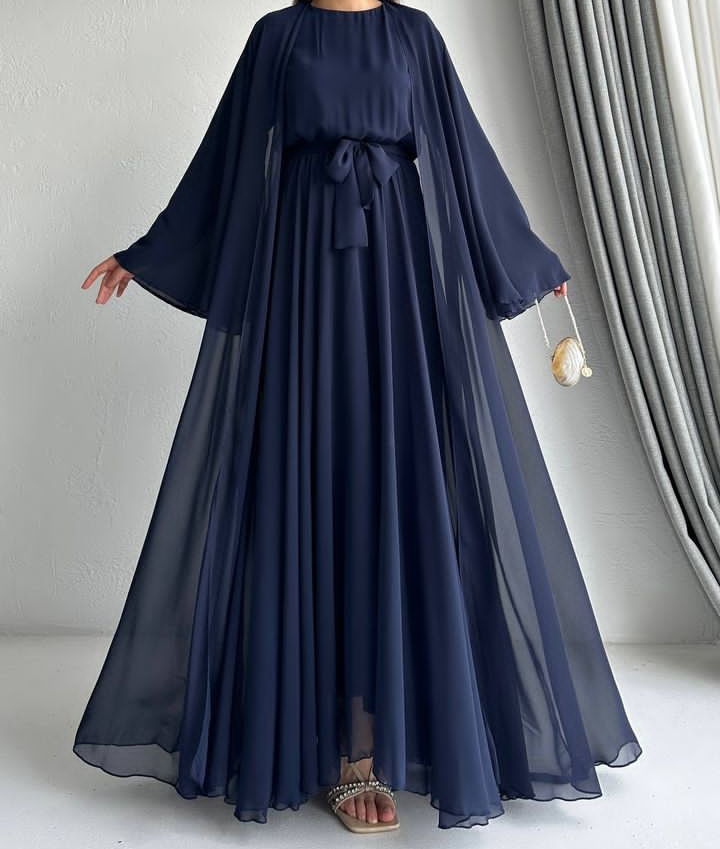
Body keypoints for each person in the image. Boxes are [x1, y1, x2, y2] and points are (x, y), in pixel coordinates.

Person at [75, 0, 642, 834]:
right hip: (303, 288)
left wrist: (527, 259)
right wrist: (150, 253)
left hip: (397, 290)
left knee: (398, 491)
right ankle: (341, 750)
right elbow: (226, 161)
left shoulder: (416, 36)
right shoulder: (278, 36)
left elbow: (465, 156)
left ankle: (383, 738)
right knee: (316, 489)